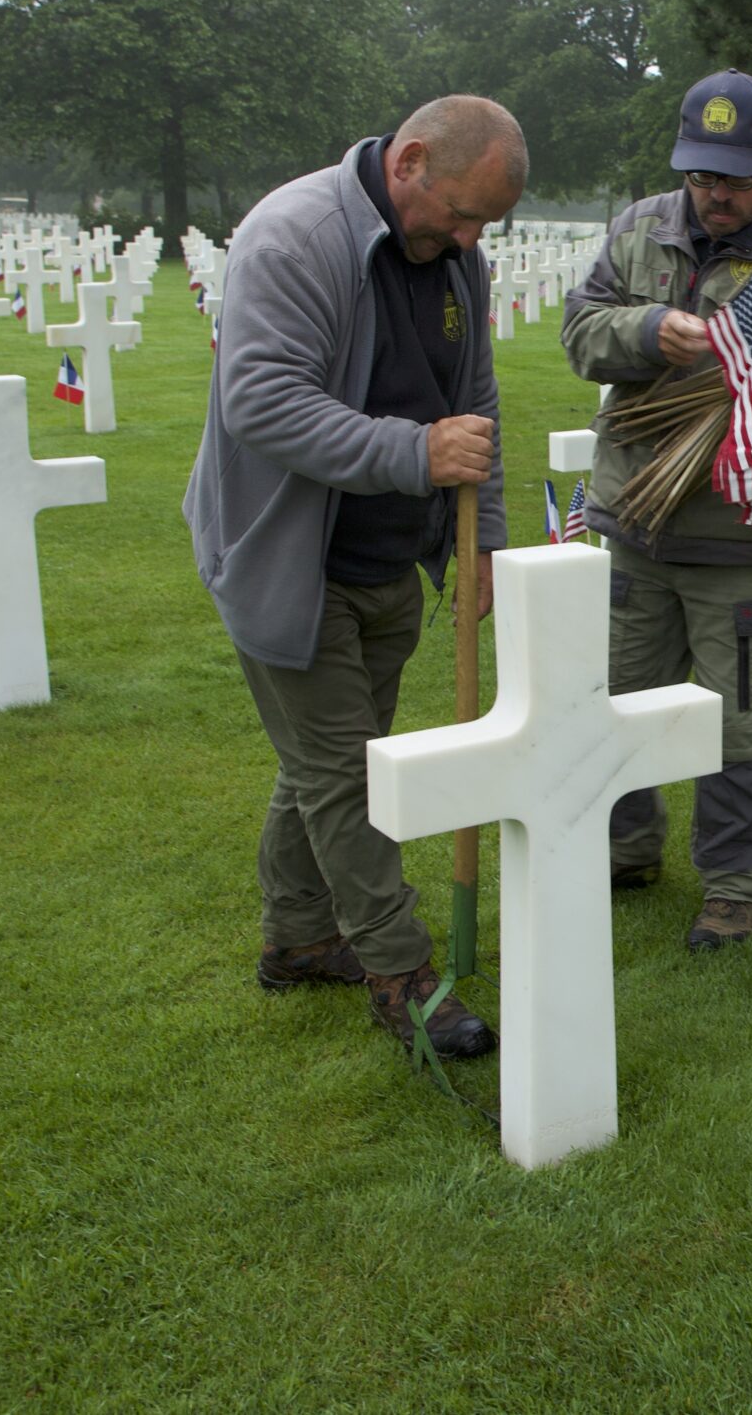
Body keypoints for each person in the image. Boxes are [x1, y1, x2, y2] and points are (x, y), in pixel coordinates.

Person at [184, 96, 524, 1061]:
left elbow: (477, 401)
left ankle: (297, 937)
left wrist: (482, 537)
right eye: (461, 214)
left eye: (483, 226)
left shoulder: (456, 256)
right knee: (345, 776)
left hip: (388, 558)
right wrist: (416, 453)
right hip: (287, 555)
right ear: (409, 160)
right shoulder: (294, 237)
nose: (468, 239)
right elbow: (264, 401)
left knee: (331, 758)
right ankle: (402, 971)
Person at [560, 68, 752, 952]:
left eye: (736, 177)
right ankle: (625, 846)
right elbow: (578, 331)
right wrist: (643, 333)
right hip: (635, 520)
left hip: (747, 534)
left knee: (740, 720)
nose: (714, 195)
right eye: (700, 174)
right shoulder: (640, 227)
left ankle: (734, 884)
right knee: (619, 697)